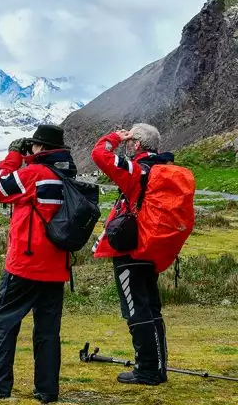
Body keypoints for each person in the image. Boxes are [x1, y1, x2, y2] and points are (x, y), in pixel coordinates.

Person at [0, 125, 75, 403]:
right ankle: (47, 389)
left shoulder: (34, 174)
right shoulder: (67, 175)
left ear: (40, 148)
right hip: (55, 266)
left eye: (35, 146)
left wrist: (14, 156)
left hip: (26, 265)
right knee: (48, 331)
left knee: (5, 323)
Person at [90, 124, 175, 386]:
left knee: (136, 309)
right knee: (152, 307)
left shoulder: (137, 170)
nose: (127, 144)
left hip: (130, 248)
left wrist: (116, 137)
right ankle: (158, 367)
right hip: (152, 247)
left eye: (131, 140)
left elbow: (99, 155)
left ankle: (147, 369)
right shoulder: (161, 169)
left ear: (137, 144)